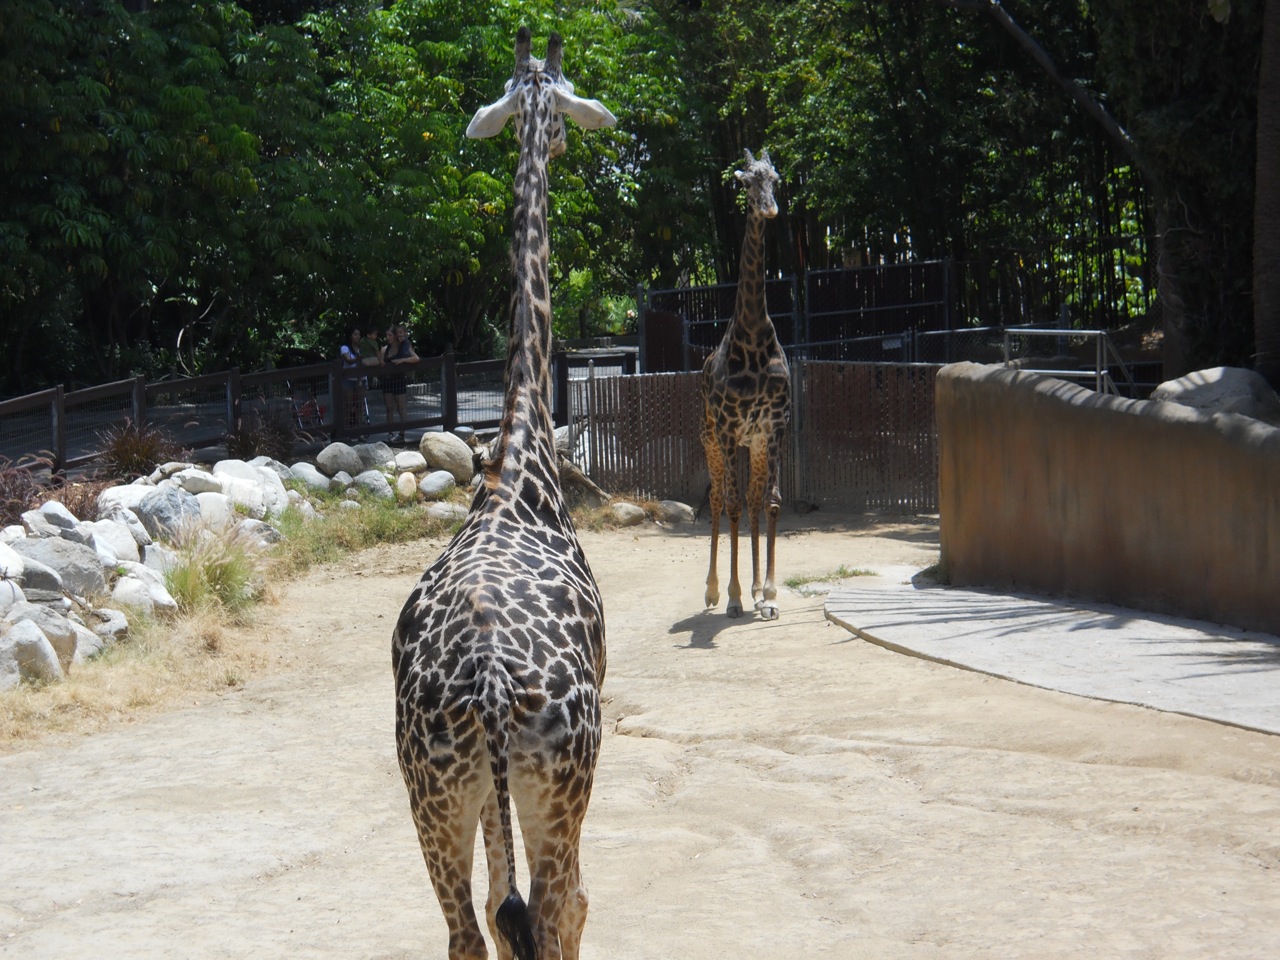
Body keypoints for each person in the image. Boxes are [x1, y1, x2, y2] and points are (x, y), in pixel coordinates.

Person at [380, 324, 419, 443]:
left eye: (390, 335)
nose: (388, 337)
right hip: (387, 381)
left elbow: (416, 358)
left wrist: (403, 360)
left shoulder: (404, 347)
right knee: (389, 408)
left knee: (401, 408)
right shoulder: (384, 350)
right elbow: (380, 363)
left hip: (399, 380)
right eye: (387, 335)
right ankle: (390, 433)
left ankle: (402, 434)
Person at [339, 327, 365, 430]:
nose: (357, 337)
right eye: (355, 334)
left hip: (361, 379)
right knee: (348, 405)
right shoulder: (345, 348)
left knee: (359, 405)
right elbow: (348, 360)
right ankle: (347, 429)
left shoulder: (363, 348)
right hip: (348, 380)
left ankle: (359, 429)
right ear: (350, 336)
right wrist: (359, 358)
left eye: (359, 334)